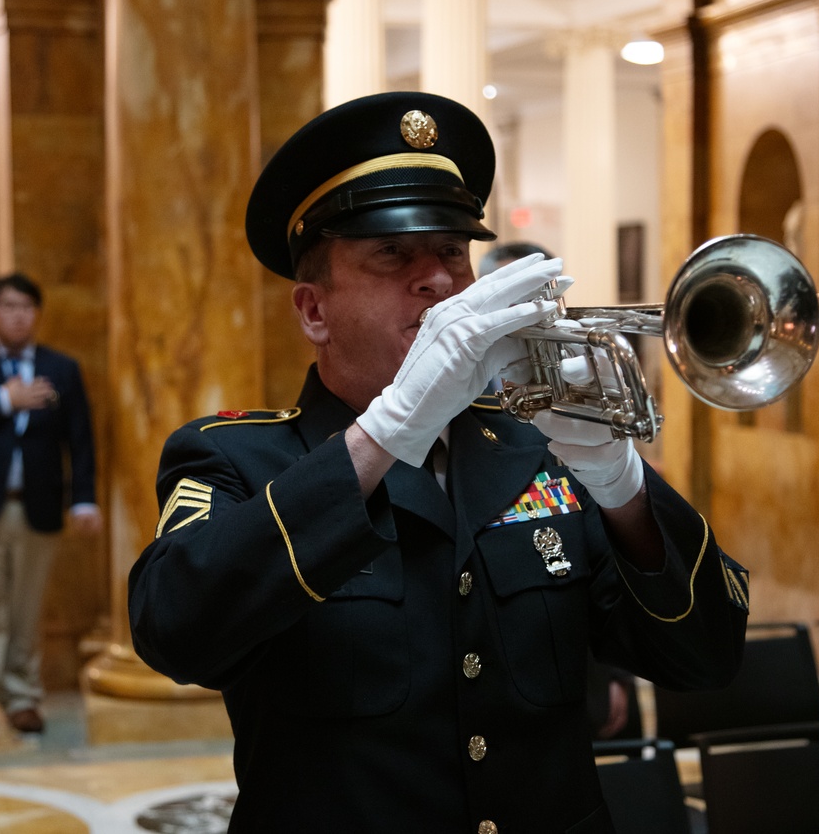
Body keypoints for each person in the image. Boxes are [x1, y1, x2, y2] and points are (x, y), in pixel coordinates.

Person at [129, 92, 749, 833]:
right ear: (312, 311)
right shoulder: (237, 455)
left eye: (453, 251)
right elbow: (175, 629)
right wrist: (387, 432)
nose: (438, 280)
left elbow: (706, 656)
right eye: (393, 254)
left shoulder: (537, 447)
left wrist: (624, 488)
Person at [478, 242, 640, 741]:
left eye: (536, 299)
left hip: (577, 679)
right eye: (511, 300)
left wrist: (617, 676)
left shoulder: (573, 393)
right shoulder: (468, 408)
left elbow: (603, 570)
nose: (526, 316)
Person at [0, 273, 102, 740]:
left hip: (40, 506)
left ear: (37, 314)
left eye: (27, 307)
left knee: (28, 609)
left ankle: (23, 697)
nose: (18, 315)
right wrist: (3, 400)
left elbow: (81, 440)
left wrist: (84, 498)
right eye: (8, 306)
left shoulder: (61, 368)